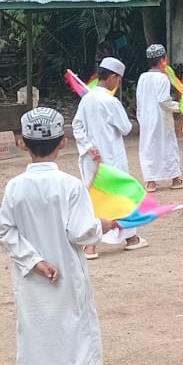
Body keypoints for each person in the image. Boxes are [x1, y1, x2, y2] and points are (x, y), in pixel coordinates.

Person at [0, 107, 131, 365]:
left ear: (21, 144)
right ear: (64, 143)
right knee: (78, 329)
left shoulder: (15, 187)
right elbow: (81, 232)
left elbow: (5, 231)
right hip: (68, 275)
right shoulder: (70, 186)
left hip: (32, 280)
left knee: (37, 335)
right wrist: (106, 224)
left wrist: (34, 261)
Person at [72, 57, 138, 258]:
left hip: (91, 158)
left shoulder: (87, 99)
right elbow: (126, 128)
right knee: (119, 197)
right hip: (111, 158)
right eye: (118, 81)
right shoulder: (110, 101)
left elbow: (77, 125)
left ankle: (91, 245)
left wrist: (88, 146)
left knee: (94, 198)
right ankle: (130, 238)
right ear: (113, 78)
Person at [135, 44, 183, 192]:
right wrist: (179, 107)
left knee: (148, 147)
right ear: (163, 59)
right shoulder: (162, 78)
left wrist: (141, 117)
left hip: (147, 117)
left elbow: (139, 99)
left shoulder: (142, 77)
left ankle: (151, 182)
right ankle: (175, 180)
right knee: (168, 146)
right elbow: (163, 101)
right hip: (161, 119)